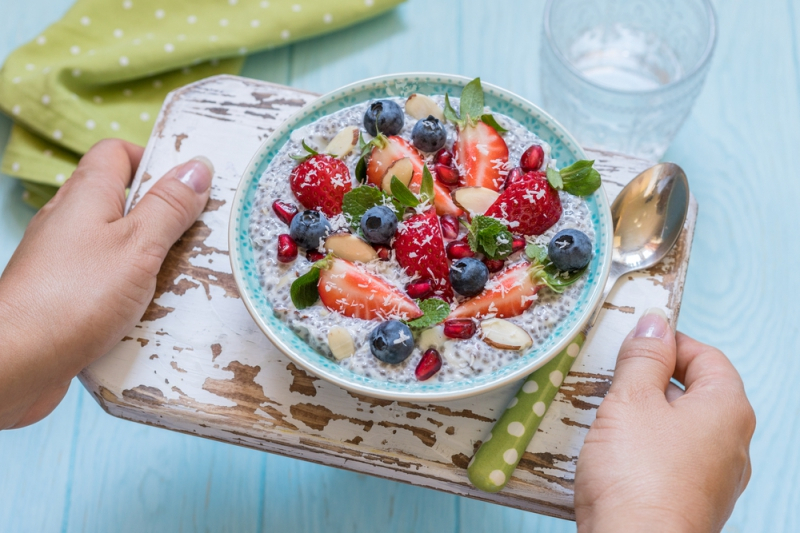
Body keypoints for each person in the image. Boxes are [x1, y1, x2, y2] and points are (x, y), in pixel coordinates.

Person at [0, 139, 755, 532]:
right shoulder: (362, 231)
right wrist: (653, 521)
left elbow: (468, 250)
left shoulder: (479, 227)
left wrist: (22, 340)